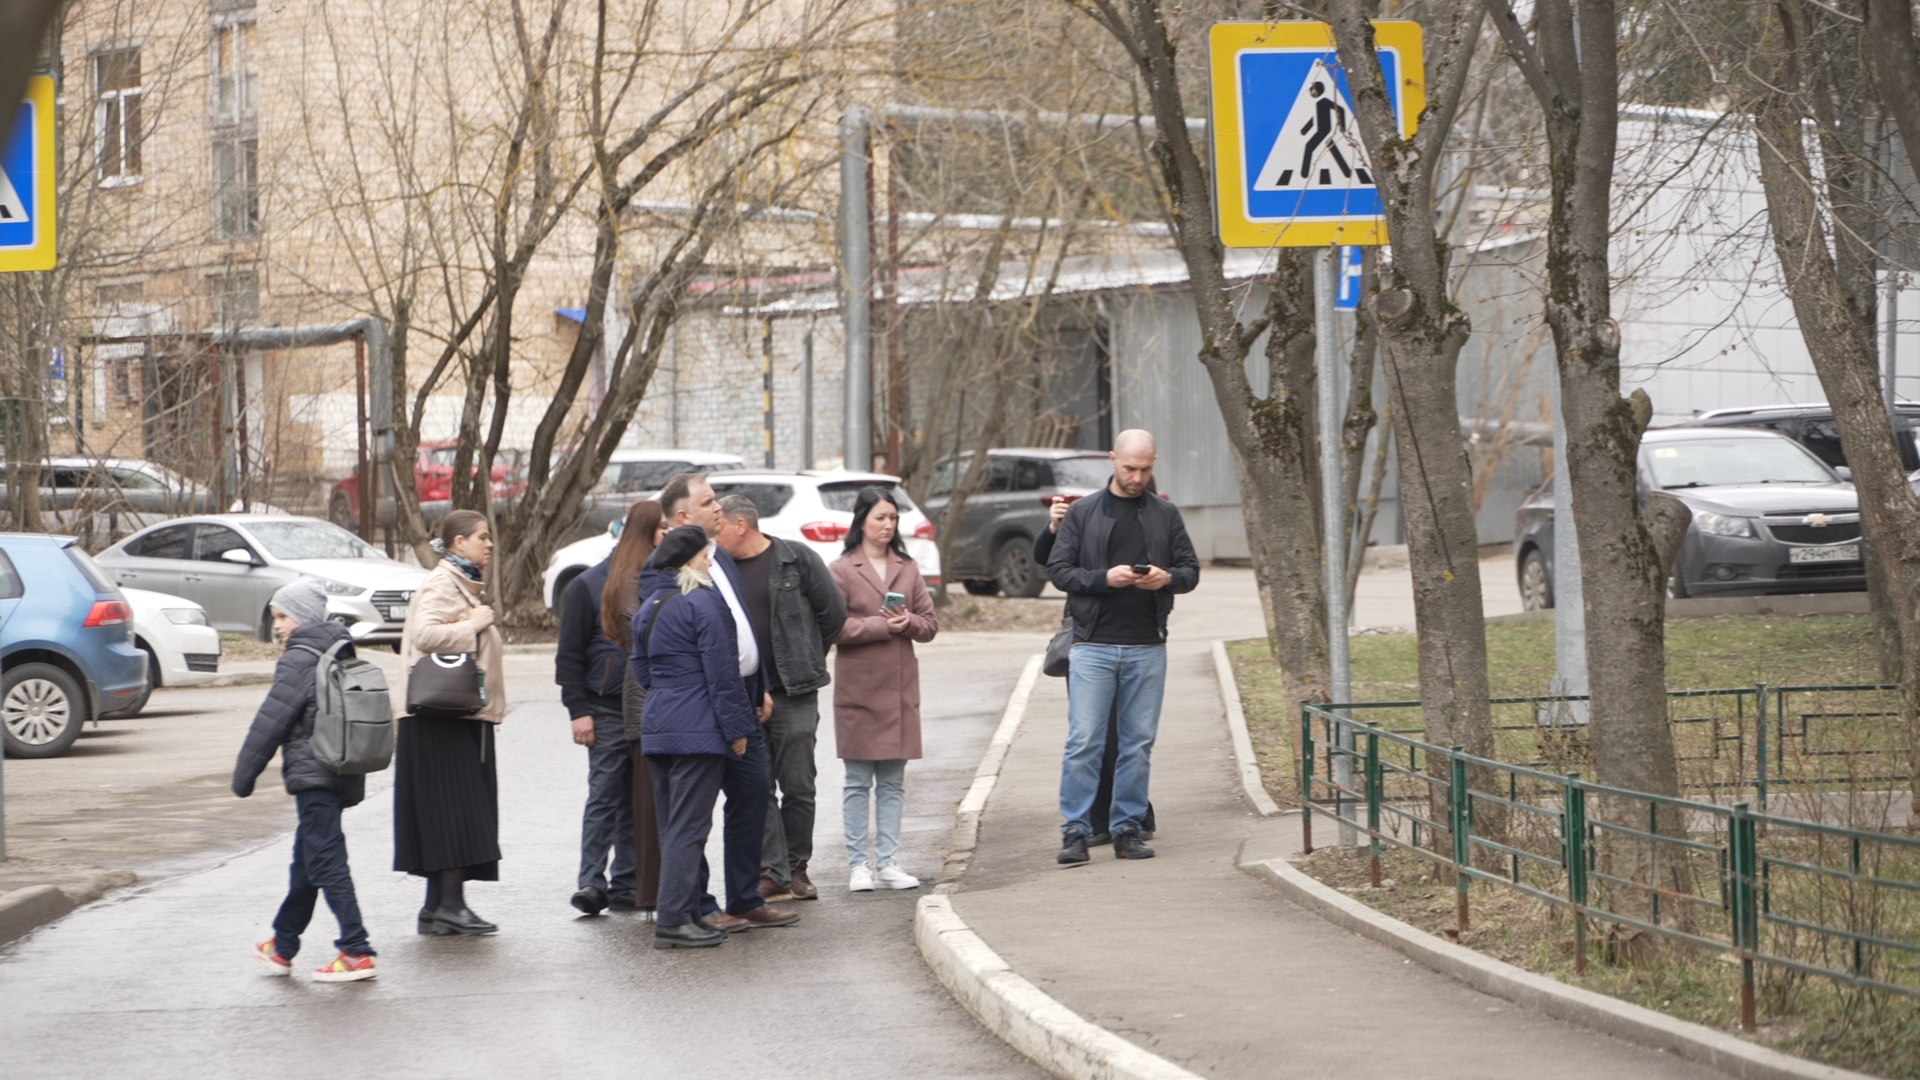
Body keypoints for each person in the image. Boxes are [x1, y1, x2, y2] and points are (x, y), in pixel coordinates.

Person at [650, 473, 797, 930]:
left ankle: (745, 897)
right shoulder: (662, 570)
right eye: (708, 501)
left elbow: (743, 626)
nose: (719, 507)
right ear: (682, 516)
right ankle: (698, 906)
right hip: (702, 707)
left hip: (742, 697)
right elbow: (660, 650)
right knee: (692, 813)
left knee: (752, 794)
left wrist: (760, 684)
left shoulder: (721, 557)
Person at [1046, 430, 1199, 865]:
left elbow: (1190, 571)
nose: (1137, 477)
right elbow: (1059, 570)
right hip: (1092, 645)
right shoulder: (1084, 512)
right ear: (1113, 460)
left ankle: (1128, 828)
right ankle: (1076, 831)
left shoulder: (1165, 514)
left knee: (1137, 744)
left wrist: (1166, 578)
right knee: (1084, 742)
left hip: (1147, 645)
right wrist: (1104, 579)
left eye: (1145, 469)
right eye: (1130, 468)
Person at [233, 579, 378, 983]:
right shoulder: (338, 649)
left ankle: (356, 950)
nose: (277, 625)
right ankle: (283, 945)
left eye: (283, 616)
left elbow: (271, 721)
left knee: (326, 860)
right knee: (307, 861)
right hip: (339, 769)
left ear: (305, 617)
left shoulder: (298, 658)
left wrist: (243, 776)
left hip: (314, 776)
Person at [632, 525, 764, 949]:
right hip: (699, 728)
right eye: (705, 555)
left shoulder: (650, 605)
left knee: (673, 825)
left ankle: (687, 913)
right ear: (688, 561)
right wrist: (738, 730)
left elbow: (641, 669)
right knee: (689, 827)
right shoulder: (704, 602)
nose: (710, 561)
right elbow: (723, 674)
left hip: (658, 724)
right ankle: (674, 920)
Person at [714, 493, 847, 903]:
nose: (713, 537)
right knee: (758, 786)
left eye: (719, 527)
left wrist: (806, 657)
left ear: (740, 525)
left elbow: (833, 614)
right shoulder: (717, 569)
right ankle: (773, 871)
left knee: (798, 785)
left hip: (795, 692)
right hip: (746, 694)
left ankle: (796, 867)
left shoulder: (796, 558)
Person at [395, 509, 507, 934]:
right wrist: (471, 625)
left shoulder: (460, 582)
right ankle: (451, 906)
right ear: (459, 543)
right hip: (442, 717)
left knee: (447, 809)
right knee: (454, 811)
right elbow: (425, 635)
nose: (489, 544)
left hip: (449, 716)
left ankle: (437, 907)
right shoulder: (444, 583)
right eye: (482, 537)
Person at [829, 485, 938, 891]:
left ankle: (889, 862)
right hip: (859, 689)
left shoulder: (906, 568)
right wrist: (880, 625)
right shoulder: (841, 569)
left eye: (893, 518)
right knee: (858, 781)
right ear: (862, 521)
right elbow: (833, 628)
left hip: (898, 687)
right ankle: (859, 865)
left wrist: (907, 623)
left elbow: (930, 624)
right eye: (880, 518)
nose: (888, 525)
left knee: (892, 781)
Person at [1034, 496, 1157, 847]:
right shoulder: (1082, 520)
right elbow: (1046, 559)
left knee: (1123, 735)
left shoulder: (1144, 518)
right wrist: (1055, 527)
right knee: (1089, 735)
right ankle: (1100, 820)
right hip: (1086, 638)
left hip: (1131, 637)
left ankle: (1131, 817)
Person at [557, 502, 650, 916]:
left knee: (636, 796)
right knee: (605, 796)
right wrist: (578, 710)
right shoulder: (589, 585)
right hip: (605, 707)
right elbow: (569, 656)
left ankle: (627, 882)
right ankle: (591, 882)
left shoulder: (656, 582)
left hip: (646, 707)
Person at [600, 500, 668, 916]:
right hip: (645, 700)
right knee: (650, 804)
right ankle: (654, 895)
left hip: (646, 696)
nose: (667, 535)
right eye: (661, 528)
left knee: (655, 804)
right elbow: (649, 631)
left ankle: (658, 892)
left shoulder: (638, 572)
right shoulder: (635, 578)